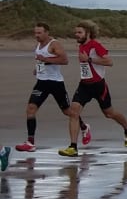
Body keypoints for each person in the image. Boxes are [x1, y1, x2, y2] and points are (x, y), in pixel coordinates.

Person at [60, 21, 127, 157]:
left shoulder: (95, 45)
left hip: (98, 86)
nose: (76, 35)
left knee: (109, 113)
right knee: (73, 112)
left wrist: (89, 59)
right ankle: (73, 147)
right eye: (75, 32)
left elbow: (109, 62)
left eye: (79, 32)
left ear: (87, 33)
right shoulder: (81, 46)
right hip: (84, 85)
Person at [15, 22, 91, 153]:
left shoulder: (55, 44)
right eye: (35, 33)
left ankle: (84, 127)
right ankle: (30, 142)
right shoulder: (39, 44)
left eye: (39, 33)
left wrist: (45, 60)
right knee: (31, 109)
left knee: (68, 111)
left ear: (46, 32)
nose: (36, 35)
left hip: (55, 83)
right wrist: (37, 69)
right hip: (41, 82)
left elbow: (64, 60)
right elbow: (41, 60)